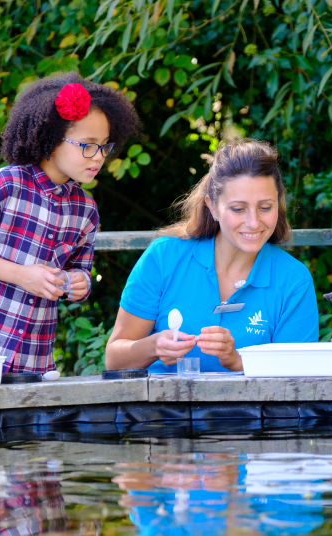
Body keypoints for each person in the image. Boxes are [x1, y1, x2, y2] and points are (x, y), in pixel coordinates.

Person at [0, 73, 140, 373]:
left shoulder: (85, 211)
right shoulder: (4, 185)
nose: (98, 158)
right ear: (52, 140)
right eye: (87, 145)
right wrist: (22, 275)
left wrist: (77, 284)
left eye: (105, 146)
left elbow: (78, 272)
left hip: (32, 359)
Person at [105, 139, 318, 373]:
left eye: (265, 207)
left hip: (253, 411)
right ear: (212, 207)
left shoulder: (295, 280)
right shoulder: (163, 257)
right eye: (238, 209)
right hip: (159, 408)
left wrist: (237, 361)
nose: (253, 222)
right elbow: (114, 360)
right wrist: (153, 346)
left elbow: (299, 376)